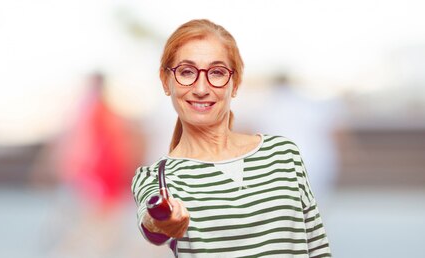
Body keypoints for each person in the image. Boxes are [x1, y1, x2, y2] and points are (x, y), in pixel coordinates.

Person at [131, 19, 332, 257]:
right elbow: (151, 223)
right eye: (186, 72)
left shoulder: (283, 153)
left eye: (217, 73)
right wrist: (163, 219)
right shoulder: (157, 177)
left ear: (235, 83)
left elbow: (317, 246)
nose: (201, 88)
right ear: (166, 81)